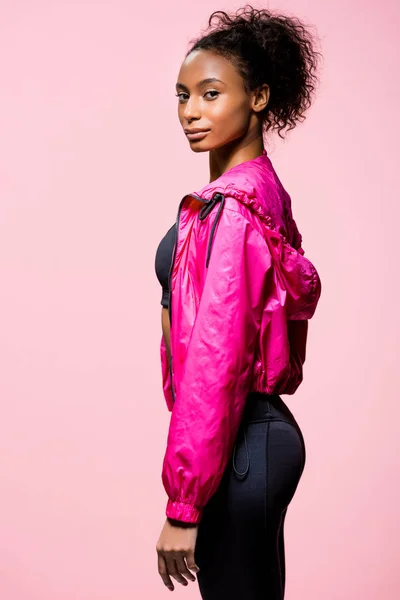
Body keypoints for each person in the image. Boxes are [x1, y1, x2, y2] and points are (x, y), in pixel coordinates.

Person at [154, 5, 322, 598]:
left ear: (258, 99)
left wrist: (184, 503)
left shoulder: (233, 211)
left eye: (210, 93)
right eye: (182, 95)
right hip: (253, 439)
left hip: (240, 443)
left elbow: (215, 362)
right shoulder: (261, 194)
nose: (190, 112)